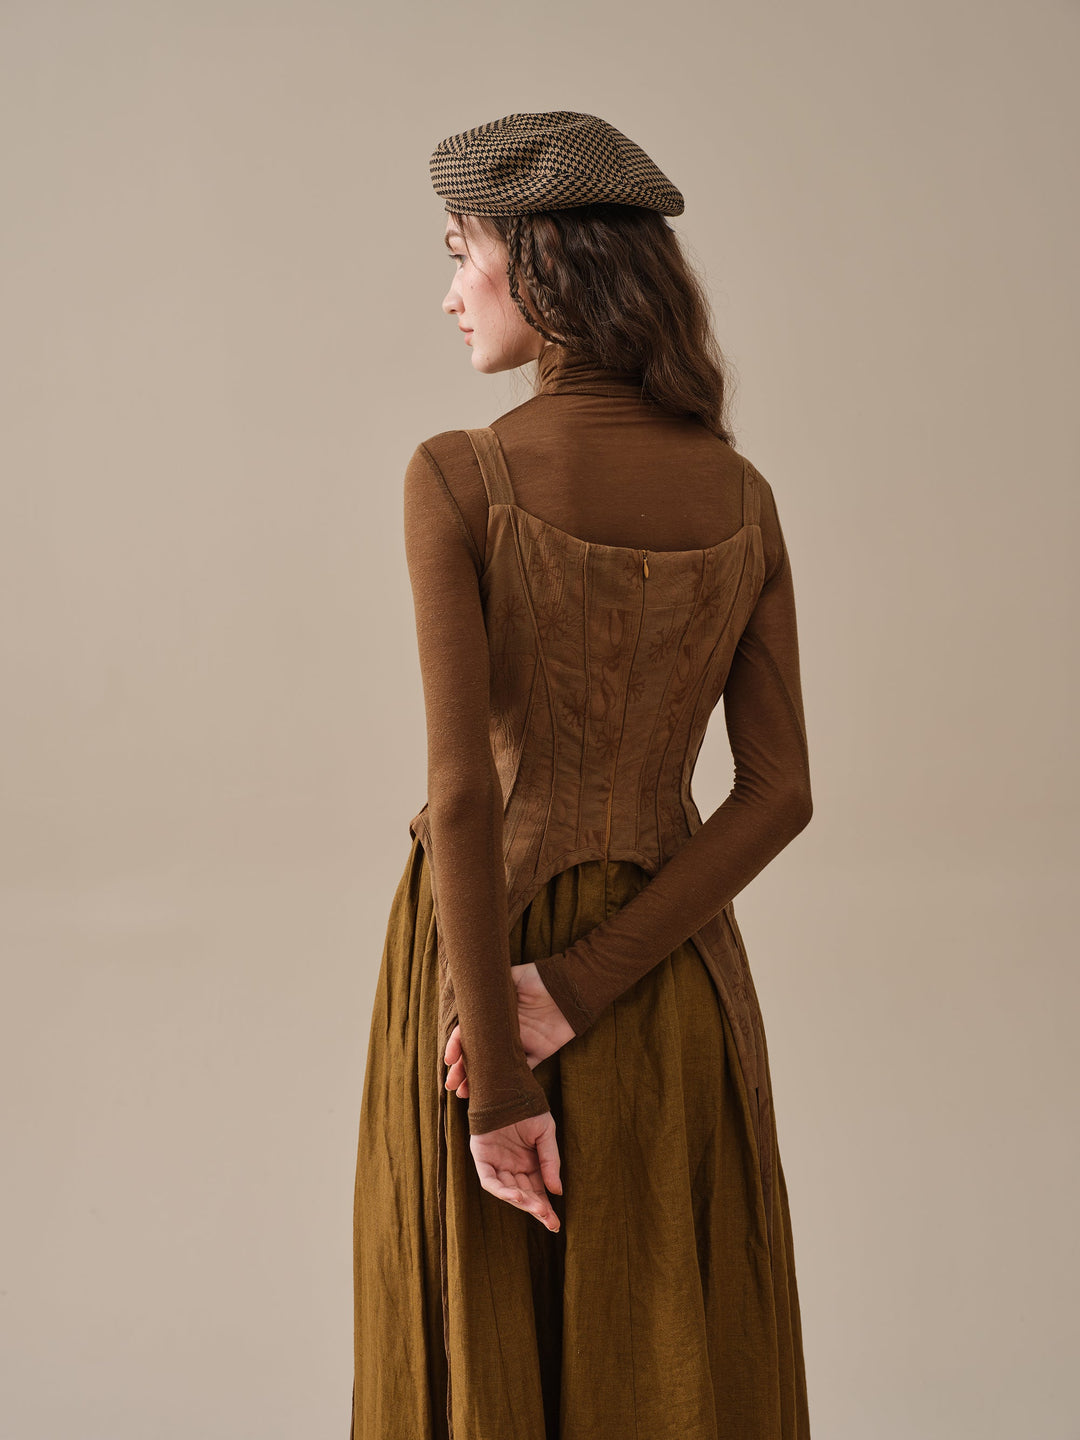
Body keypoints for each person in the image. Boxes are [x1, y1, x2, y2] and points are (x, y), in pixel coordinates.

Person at [352, 110, 814, 1440]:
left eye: (462, 253)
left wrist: (502, 1078)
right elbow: (779, 794)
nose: (451, 293)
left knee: (474, 1357)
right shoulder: (742, 495)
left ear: (541, 262)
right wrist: (583, 984)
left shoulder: (459, 476)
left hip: (476, 983)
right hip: (666, 975)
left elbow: (465, 799)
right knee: (673, 1348)